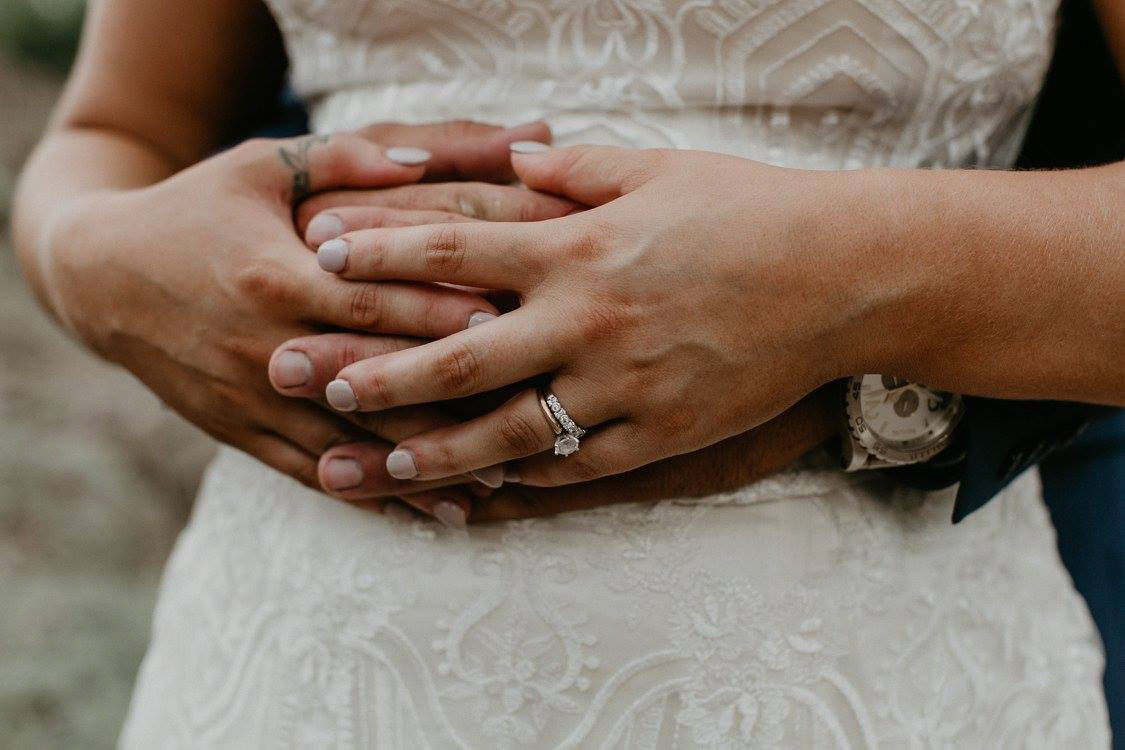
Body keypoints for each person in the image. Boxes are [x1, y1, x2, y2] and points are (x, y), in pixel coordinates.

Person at [11, 0, 1122, 746]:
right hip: (300, 671)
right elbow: (113, 130)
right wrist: (97, 262)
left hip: (866, 684)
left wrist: (847, 278)